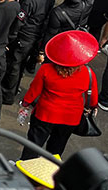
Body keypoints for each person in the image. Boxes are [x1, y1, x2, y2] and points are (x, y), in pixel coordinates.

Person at [19, 30, 100, 159]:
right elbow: (93, 97)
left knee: (33, 144)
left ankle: (24, 169)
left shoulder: (46, 70)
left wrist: (25, 104)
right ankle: (48, 172)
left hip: (45, 114)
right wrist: (93, 107)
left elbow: (34, 90)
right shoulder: (88, 73)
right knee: (56, 148)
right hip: (70, 118)